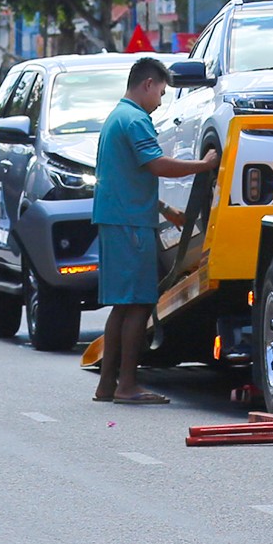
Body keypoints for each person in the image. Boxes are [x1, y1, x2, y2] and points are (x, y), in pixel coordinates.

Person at [92, 57, 210, 404]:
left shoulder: (118, 117)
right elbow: (157, 165)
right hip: (129, 222)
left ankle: (106, 386)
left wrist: (163, 209)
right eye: (160, 92)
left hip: (119, 217)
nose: (160, 101)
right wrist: (203, 166)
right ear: (147, 84)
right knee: (140, 304)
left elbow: (127, 174)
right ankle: (126, 386)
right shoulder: (135, 120)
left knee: (123, 306)